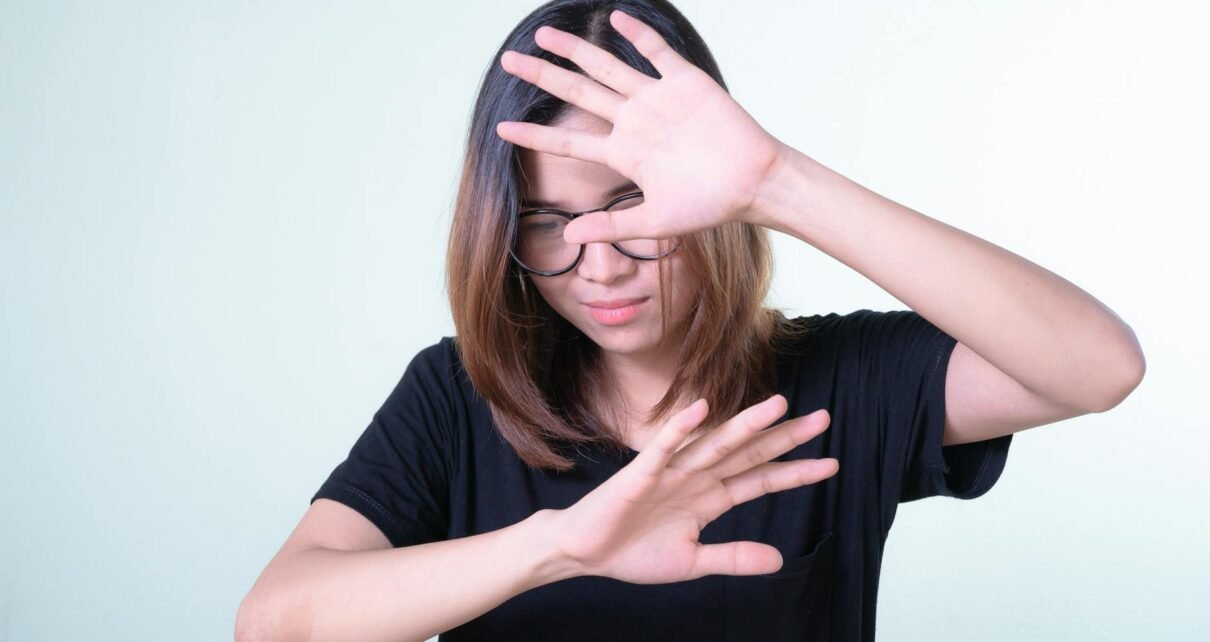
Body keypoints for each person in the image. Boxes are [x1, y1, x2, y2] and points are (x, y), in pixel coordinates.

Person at [235, 1, 1145, 640]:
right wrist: (558, 547)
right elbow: (276, 623)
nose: (600, 263)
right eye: (549, 224)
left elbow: (1096, 367)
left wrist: (775, 184)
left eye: (635, 208)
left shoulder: (837, 378)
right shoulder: (455, 395)